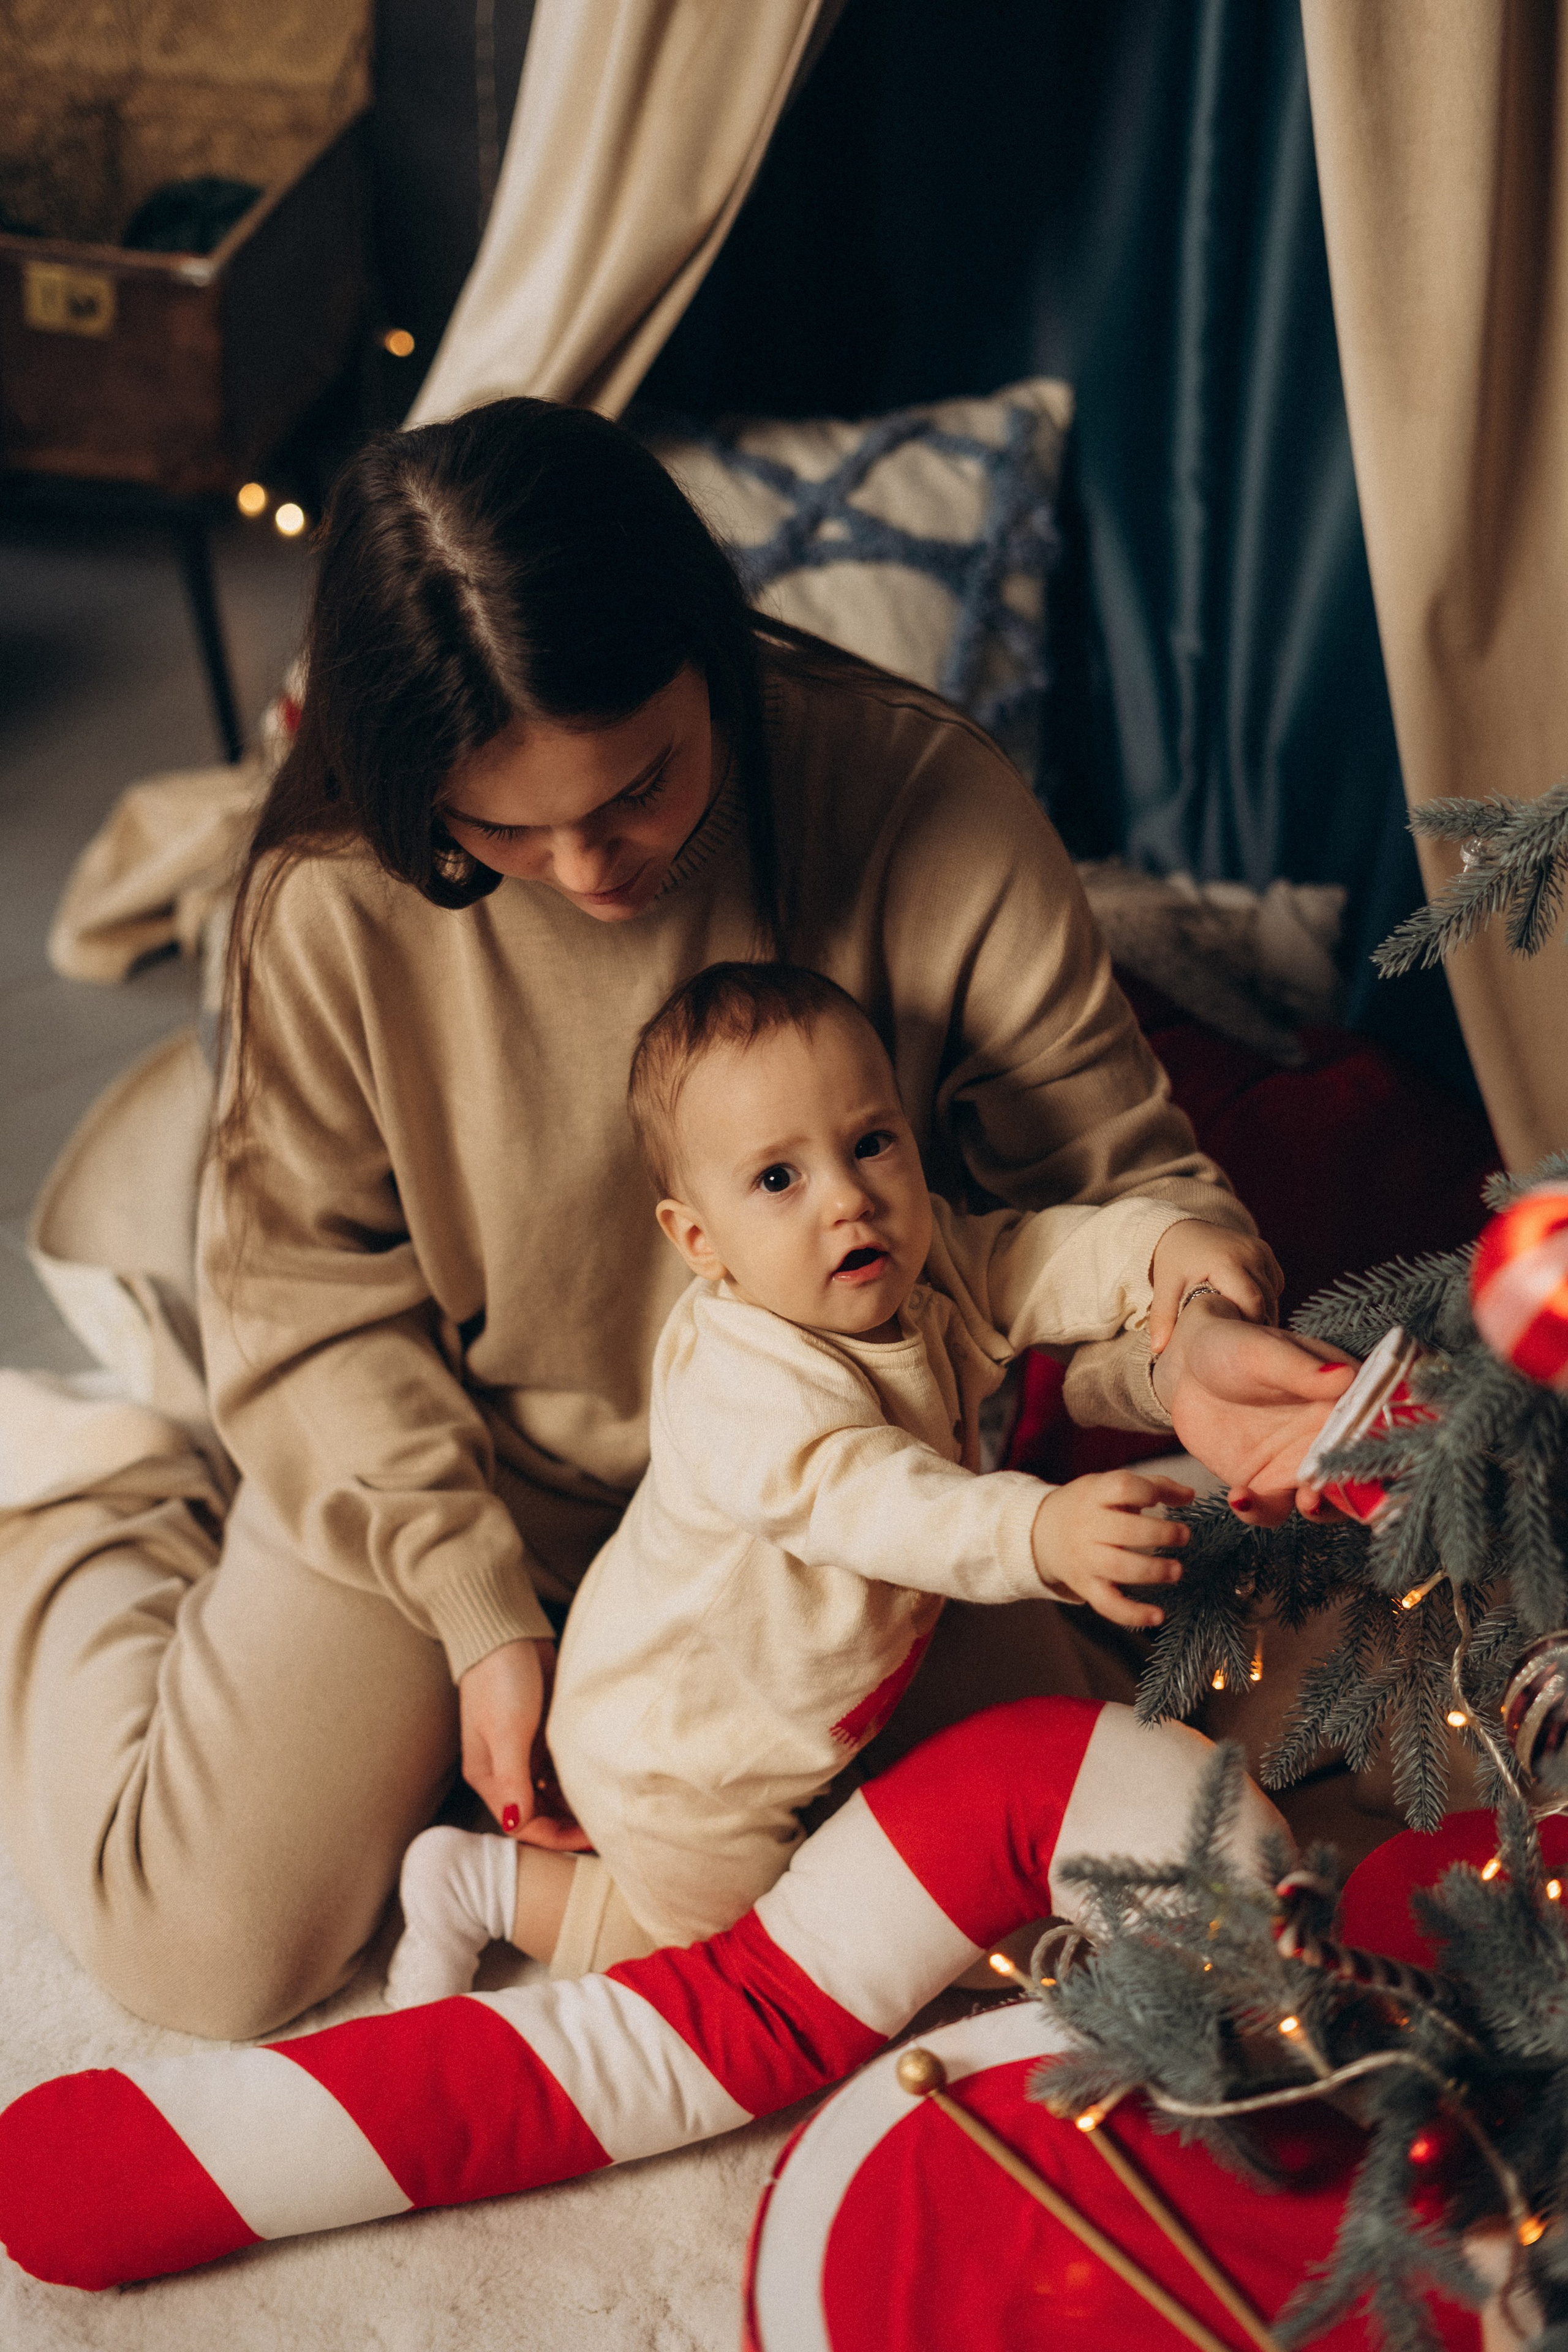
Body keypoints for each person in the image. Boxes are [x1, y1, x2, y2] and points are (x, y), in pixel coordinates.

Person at [0, 396, 1348, 2040]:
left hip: (840, 1482)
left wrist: (1186, 1337)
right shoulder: (333, 892)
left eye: (638, 789)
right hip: (466, 1453)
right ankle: (85, 1512)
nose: (586, 868)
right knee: (200, 1958)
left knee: (1026, 1914)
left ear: (707, 651)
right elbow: (309, 1300)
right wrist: (478, 1611)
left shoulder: (915, 792)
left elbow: (1103, 1191)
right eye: (498, 833)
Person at [383, 960, 1288, 1999]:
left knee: (1082, 1720)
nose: (850, 1199)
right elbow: (875, 1499)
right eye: (779, 1179)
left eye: (870, 1144)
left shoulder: (918, 1253)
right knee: (769, 1969)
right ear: (698, 1240)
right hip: (681, 1759)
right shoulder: (736, 1380)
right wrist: (1037, 1532)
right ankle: (483, 1887)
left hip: (861, 1665)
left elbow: (1031, 1259)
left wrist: (1161, 1249)